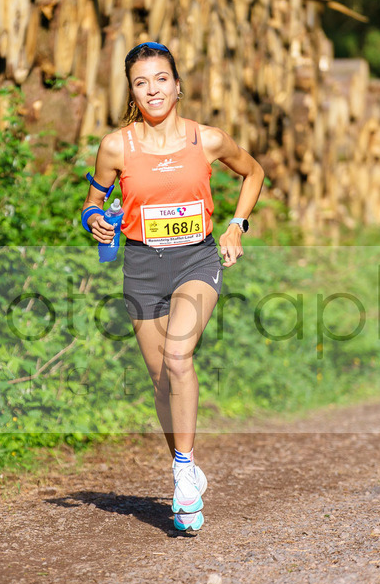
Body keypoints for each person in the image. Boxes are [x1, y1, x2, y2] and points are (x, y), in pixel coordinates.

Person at [81, 41, 265, 532]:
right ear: (132, 92)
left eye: (161, 78)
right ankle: (186, 463)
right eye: (141, 82)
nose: (153, 89)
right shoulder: (117, 147)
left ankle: (183, 477)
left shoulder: (206, 140)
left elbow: (254, 172)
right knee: (162, 378)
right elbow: (92, 203)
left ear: (178, 85)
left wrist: (236, 226)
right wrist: (97, 221)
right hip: (141, 267)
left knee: (180, 357)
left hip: (196, 261)